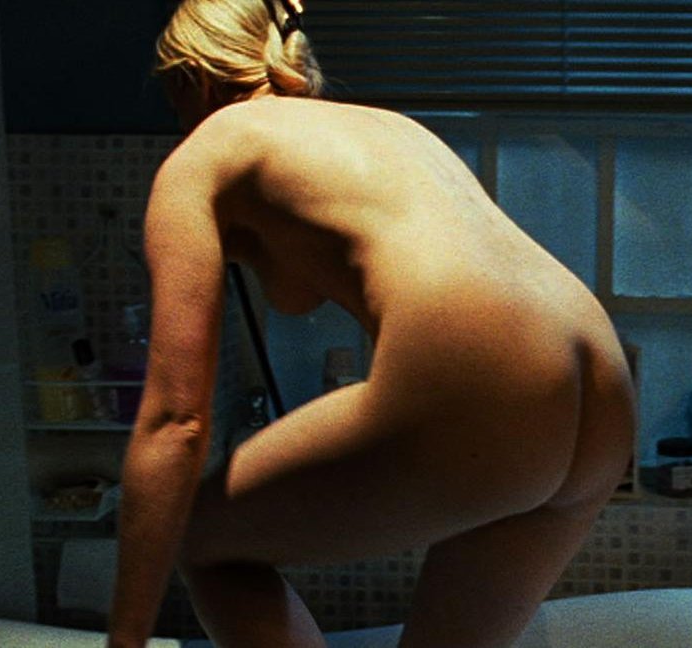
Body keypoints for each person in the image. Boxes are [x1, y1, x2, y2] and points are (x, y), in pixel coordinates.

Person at [107, 1, 636, 646]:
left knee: (196, 537)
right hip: (603, 386)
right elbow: (298, 289)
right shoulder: (391, 129)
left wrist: (125, 640)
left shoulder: (206, 152)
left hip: (488, 375)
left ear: (193, 79)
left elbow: (176, 423)